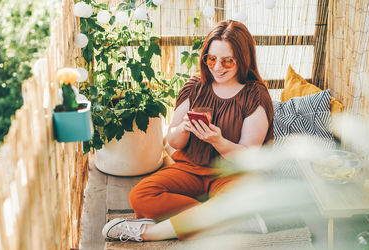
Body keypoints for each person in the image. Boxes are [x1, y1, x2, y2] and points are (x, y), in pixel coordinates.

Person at [102, 20, 274, 242]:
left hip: (232, 175)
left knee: (238, 196)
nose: (218, 68)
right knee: (140, 197)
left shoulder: (255, 95)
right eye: (211, 59)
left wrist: (218, 141)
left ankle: (149, 232)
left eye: (227, 61)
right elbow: (173, 141)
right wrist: (183, 128)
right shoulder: (195, 86)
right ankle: (227, 218)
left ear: (243, 59)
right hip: (190, 170)